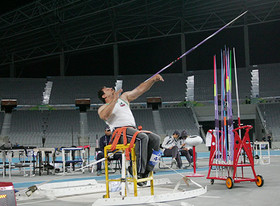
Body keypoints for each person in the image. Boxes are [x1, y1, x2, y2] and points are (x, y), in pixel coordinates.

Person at [97, 74, 163, 182]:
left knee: (156, 139)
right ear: (104, 96)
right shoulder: (102, 107)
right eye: (107, 89)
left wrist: (153, 80)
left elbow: (140, 89)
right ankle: (137, 171)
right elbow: (104, 115)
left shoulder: (124, 98)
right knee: (142, 137)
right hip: (119, 132)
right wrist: (114, 100)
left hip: (132, 130)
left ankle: (148, 169)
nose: (110, 88)